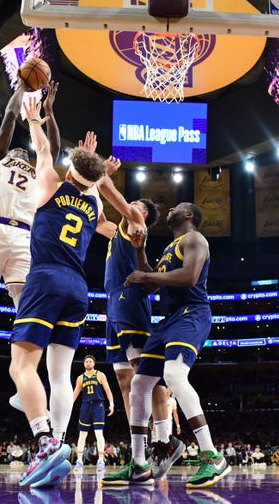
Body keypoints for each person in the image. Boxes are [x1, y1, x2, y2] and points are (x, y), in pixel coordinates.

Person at [7, 96, 108, 488]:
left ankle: (44, 442)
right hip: (79, 287)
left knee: (22, 367)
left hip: (46, 276)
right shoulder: (93, 200)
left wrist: (34, 118)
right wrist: (93, 167)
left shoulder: (50, 183)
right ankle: (60, 443)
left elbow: (45, 149)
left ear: (71, 168)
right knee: (61, 375)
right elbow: (102, 219)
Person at [103, 203, 229, 489]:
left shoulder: (195, 239)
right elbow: (150, 285)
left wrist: (146, 276)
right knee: (139, 385)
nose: (171, 208)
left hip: (192, 313)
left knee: (173, 374)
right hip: (168, 321)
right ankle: (139, 464)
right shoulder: (169, 248)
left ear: (188, 215)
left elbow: (189, 277)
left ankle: (211, 454)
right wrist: (139, 249)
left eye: (178, 207)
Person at [0, 79, 61, 415]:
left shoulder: (38, 170)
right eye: (16, 148)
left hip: (24, 238)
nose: (19, 149)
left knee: (27, 310)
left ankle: (26, 378)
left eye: (24, 148)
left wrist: (48, 112)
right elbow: (8, 118)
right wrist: (21, 86)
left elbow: (54, 151)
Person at [94, 172, 182, 477]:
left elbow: (106, 188)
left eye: (132, 203)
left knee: (146, 379)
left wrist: (100, 171)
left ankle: (163, 440)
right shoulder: (120, 230)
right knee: (125, 382)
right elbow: (97, 219)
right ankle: (139, 453)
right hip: (114, 304)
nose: (128, 205)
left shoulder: (135, 221)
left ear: (141, 212)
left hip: (129, 302)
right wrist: (89, 187)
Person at [72, 355, 114, 472]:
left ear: (94, 363)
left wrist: (111, 404)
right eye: (86, 361)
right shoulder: (80, 378)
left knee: (98, 432)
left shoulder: (100, 375)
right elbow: (75, 394)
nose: (88, 363)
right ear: (84, 364)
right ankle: (79, 460)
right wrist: (68, 406)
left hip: (98, 405)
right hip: (85, 405)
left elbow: (107, 390)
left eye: (90, 361)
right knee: (82, 434)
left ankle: (101, 460)